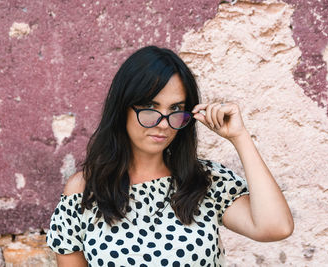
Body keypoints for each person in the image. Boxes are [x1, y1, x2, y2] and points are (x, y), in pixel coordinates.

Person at [46, 46, 294, 267]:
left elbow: (276, 227)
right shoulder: (84, 191)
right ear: (123, 108)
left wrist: (239, 136)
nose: (163, 124)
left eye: (175, 109)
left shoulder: (204, 182)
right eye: (151, 108)